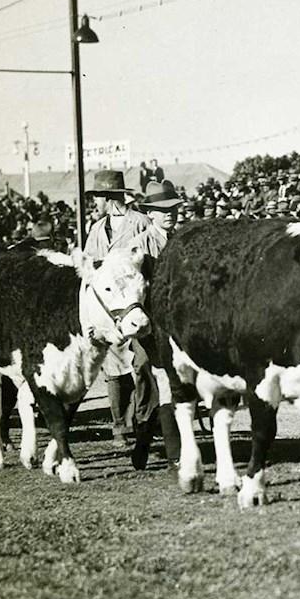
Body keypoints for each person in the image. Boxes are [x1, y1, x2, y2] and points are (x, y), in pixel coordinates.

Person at [83, 169, 151, 448]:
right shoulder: (96, 229)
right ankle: (120, 427)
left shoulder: (141, 222)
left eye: (97, 197)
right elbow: (90, 270)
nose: (95, 204)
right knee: (114, 368)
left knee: (142, 365)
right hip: (112, 311)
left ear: (108, 197)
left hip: (136, 307)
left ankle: (143, 420)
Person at [126, 181, 184, 470]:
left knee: (175, 384)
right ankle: (143, 440)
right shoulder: (140, 244)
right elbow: (132, 288)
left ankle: (176, 452)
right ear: (149, 213)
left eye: (172, 208)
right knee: (148, 380)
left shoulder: (183, 239)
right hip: (150, 325)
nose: (169, 214)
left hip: (179, 324)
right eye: (162, 210)